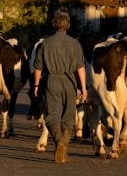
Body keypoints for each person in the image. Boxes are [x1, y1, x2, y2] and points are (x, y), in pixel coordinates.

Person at [33, 9, 88, 164]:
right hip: (70, 82)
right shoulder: (75, 43)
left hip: (52, 81)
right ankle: (64, 147)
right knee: (69, 118)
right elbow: (80, 68)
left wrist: (36, 85)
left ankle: (58, 142)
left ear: (54, 24)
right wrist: (83, 89)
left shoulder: (45, 43)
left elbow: (38, 67)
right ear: (68, 25)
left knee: (52, 117)